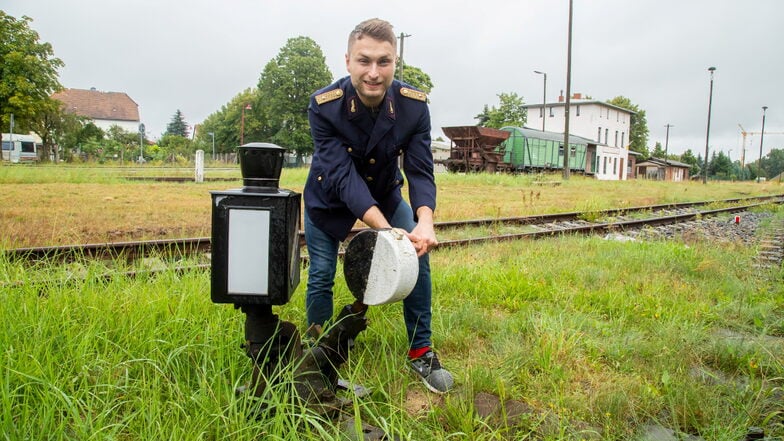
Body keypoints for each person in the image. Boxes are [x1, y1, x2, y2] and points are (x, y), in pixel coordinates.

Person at [302, 18, 453, 394]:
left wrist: (425, 222)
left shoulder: (413, 107)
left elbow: (419, 169)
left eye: (383, 62)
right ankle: (321, 360)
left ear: (395, 63)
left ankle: (421, 352)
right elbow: (343, 177)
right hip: (329, 197)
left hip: (386, 192)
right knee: (321, 273)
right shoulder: (324, 107)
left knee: (417, 257)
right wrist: (385, 231)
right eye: (364, 61)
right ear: (348, 61)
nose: (373, 73)